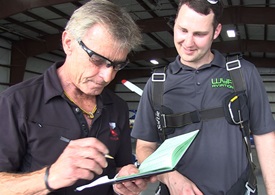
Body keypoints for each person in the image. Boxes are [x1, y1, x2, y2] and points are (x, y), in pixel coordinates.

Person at [0, 0, 152, 194]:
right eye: (97, 60)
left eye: (116, 65)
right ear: (68, 43)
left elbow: (119, 168)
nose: (108, 76)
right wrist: (49, 176)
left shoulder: (117, 107)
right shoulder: (16, 103)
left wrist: (124, 180)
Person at [131, 0, 275, 194]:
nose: (188, 42)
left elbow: (265, 138)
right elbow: (144, 148)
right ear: (174, 24)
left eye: (199, 34)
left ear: (216, 32)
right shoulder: (157, 84)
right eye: (183, 30)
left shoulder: (242, 73)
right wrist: (169, 177)